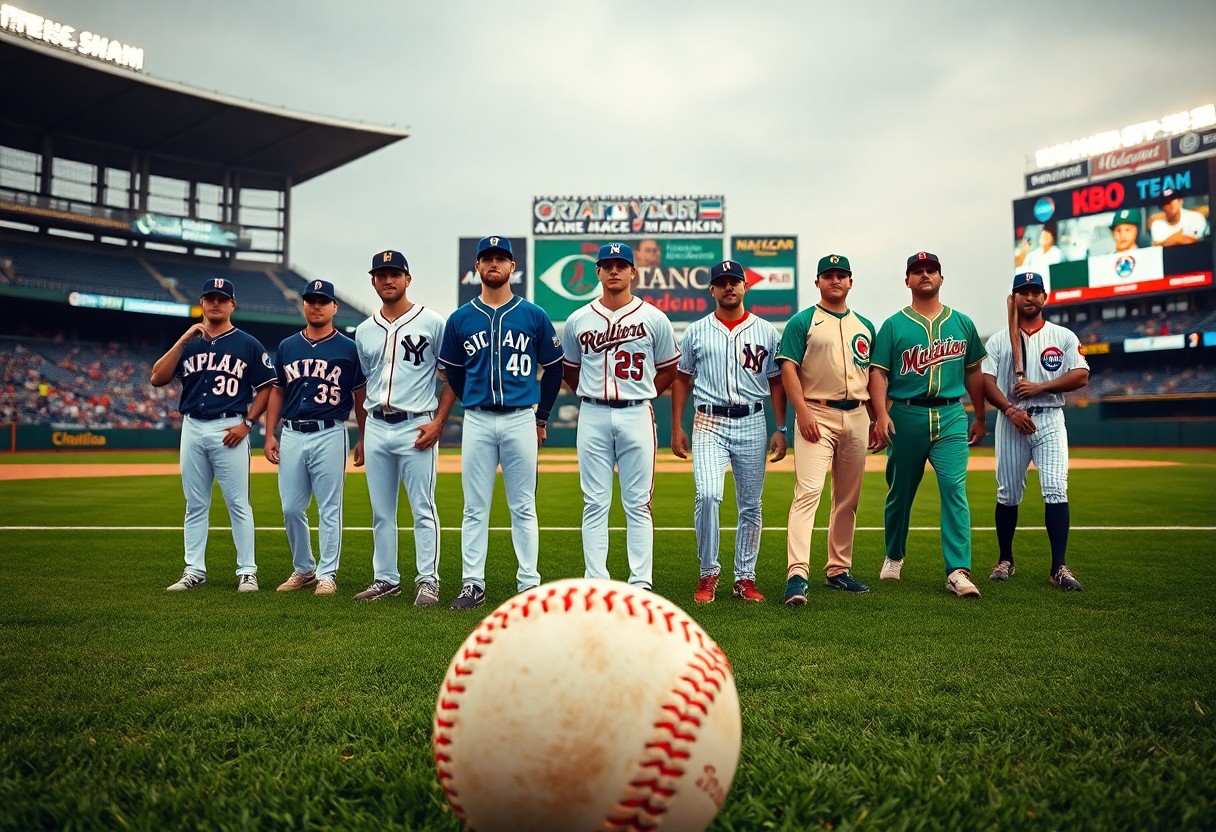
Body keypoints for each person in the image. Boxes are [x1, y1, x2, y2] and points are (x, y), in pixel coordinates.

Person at [438, 236, 564, 611]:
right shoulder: (460, 318)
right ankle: (472, 584)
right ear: (477, 267)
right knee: (474, 507)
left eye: (501, 258)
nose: (494, 263)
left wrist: (541, 417)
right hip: (477, 419)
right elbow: (454, 374)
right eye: (486, 258)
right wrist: (470, 401)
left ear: (512, 268)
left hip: (521, 418)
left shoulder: (534, 314)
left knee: (523, 505)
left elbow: (555, 367)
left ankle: (529, 583)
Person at [868, 252, 987, 598]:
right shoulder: (893, 325)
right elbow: (878, 373)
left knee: (954, 489)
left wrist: (979, 416)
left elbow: (974, 372)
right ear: (907, 280)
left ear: (940, 278)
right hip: (906, 413)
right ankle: (894, 554)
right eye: (917, 271)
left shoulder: (961, 322)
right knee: (900, 493)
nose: (924, 275)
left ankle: (957, 570)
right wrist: (880, 415)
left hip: (951, 413)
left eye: (930, 270)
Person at [562, 242, 680, 590]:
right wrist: (590, 392)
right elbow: (571, 370)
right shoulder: (578, 319)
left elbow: (669, 369)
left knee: (638, 502)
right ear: (597, 271)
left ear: (633, 272)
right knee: (594, 502)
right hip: (593, 413)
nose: (614, 270)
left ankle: (640, 580)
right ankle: (596, 580)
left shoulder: (654, 318)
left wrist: (642, 393)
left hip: (636, 414)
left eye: (621, 265)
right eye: (607, 265)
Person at [670, 259, 787, 605]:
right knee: (707, 495)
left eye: (734, 280)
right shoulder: (696, 331)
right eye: (722, 282)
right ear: (713, 290)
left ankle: (744, 578)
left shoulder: (766, 331)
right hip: (709, 421)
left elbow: (776, 380)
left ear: (744, 286)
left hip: (753, 419)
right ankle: (708, 572)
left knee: (751, 505)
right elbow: (681, 378)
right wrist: (676, 425)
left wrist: (780, 427)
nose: (729, 287)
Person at [151, 278, 276, 592]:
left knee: (238, 503)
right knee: (195, 504)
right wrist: (183, 337)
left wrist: (247, 424)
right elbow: (157, 377)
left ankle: (247, 571)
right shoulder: (189, 342)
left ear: (232, 304)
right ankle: (194, 569)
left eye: (222, 298)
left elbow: (266, 388)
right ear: (203, 303)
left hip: (229, 426)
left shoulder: (247, 343)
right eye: (210, 298)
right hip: (192, 426)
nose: (216, 303)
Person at [353, 250, 453, 604]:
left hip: (417, 425)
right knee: (381, 511)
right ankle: (386, 578)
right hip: (377, 424)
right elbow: (362, 385)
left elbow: (451, 376)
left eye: (395, 273)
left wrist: (439, 422)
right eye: (381, 274)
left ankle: (428, 579)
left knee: (423, 507)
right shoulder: (364, 330)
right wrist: (363, 436)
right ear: (373, 281)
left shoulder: (433, 322)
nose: (388, 280)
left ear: (408, 279)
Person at [777, 254, 878, 605]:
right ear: (817, 282)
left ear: (851, 282)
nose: (835, 280)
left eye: (841, 275)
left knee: (847, 499)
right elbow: (788, 369)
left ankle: (838, 570)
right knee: (807, 494)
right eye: (828, 275)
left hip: (858, 415)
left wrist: (877, 418)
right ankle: (797, 574)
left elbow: (875, 376)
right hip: (816, 413)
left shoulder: (865, 325)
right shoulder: (803, 321)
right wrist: (801, 411)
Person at [982, 272, 1089, 591]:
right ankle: (1005, 559)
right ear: (1014, 299)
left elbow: (1081, 375)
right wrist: (1010, 409)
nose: (1029, 297)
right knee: (1008, 493)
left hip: (1050, 418)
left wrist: (1040, 386)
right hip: (1011, 421)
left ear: (1045, 297)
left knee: (1056, 488)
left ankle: (1059, 567)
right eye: (1022, 292)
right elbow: (986, 382)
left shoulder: (1064, 336)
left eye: (1035, 291)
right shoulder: (999, 339)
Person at [263, 279, 366, 597]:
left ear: (334, 307)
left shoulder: (349, 348)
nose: (316, 305)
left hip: (330, 431)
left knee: (329, 508)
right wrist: (269, 433)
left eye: (323, 301)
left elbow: (359, 394)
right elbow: (277, 390)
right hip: (292, 432)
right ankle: (304, 569)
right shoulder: (287, 346)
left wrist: (363, 436)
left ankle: (327, 574)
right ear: (304, 305)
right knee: (291, 507)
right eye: (311, 300)